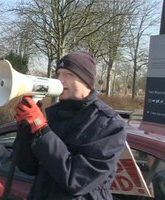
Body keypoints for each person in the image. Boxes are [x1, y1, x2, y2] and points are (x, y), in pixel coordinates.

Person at [14, 51, 127, 199]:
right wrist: (26, 127)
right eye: (59, 74)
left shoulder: (109, 125)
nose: (60, 79)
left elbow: (76, 180)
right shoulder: (52, 114)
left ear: (86, 80)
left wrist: (41, 130)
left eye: (68, 74)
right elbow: (26, 166)